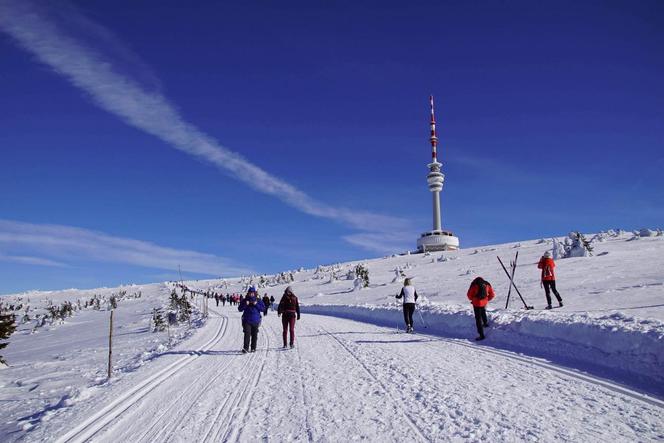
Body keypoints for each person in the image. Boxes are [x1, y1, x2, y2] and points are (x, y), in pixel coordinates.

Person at [467, 276, 495, 341]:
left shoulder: (474, 284)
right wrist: (487, 299)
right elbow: (492, 294)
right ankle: (485, 323)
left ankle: (481, 335)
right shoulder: (487, 284)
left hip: (476, 303)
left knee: (478, 319)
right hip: (484, 302)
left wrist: (473, 299)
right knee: (483, 311)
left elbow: (469, 295)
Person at [238, 287, 265, 353]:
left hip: (256, 320)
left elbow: (263, 309)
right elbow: (240, 309)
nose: (251, 294)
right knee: (247, 334)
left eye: (252, 293)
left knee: (254, 335)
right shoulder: (245, 300)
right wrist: (245, 304)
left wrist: (256, 304)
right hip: (247, 320)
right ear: (248, 293)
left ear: (255, 293)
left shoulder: (258, 300)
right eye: (250, 293)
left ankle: (253, 348)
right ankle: (245, 348)